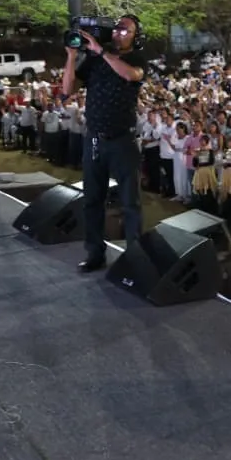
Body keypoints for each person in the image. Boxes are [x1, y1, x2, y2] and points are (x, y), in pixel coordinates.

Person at [59, 14, 148, 272]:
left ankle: (134, 257)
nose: (119, 33)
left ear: (136, 37)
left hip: (123, 140)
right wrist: (72, 56)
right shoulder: (95, 60)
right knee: (92, 200)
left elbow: (131, 76)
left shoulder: (136, 59)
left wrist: (101, 51)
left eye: (125, 30)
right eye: (117, 28)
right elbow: (68, 90)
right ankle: (95, 253)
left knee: (130, 202)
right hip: (95, 139)